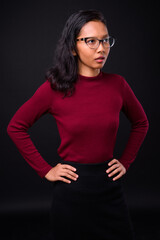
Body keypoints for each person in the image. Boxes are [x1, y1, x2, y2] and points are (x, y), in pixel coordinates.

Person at [7, 9, 149, 240]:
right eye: (90, 41)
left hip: (109, 188)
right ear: (73, 47)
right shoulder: (55, 89)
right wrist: (46, 170)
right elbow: (16, 126)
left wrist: (126, 161)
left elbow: (141, 122)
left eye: (105, 40)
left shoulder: (118, 85)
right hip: (71, 192)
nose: (101, 48)